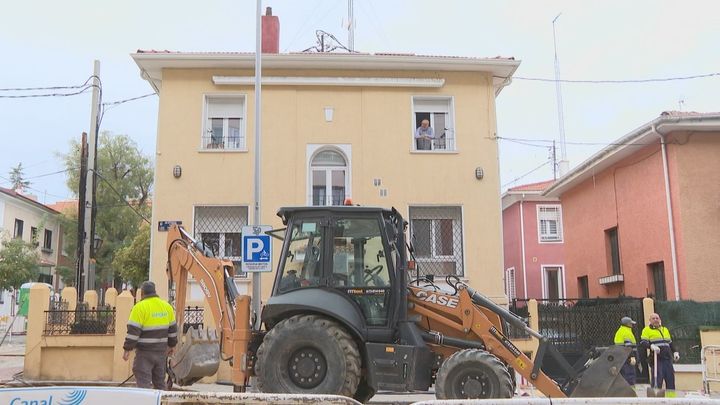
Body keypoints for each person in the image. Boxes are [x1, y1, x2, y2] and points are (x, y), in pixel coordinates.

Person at [123, 281, 178, 389]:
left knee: (143, 384)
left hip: (144, 354)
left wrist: (127, 349)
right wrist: (172, 346)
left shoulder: (139, 307)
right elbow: (172, 330)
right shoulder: (167, 307)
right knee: (160, 384)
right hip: (161, 353)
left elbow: (133, 332)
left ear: (142, 293)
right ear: (154, 291)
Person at [640, 312, 679, 397]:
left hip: (668, 360)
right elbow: (643, 343)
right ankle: (655, 400)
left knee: (670, 381)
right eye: (653, 318)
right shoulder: (647, 330)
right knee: (657, 381)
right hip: (657, 360)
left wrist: (675, 351)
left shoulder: (665, 329)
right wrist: (651, 346)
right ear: (650, 320)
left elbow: (670, 343)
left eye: (657, 318)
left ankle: (671, 400)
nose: (655, 320)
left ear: (660, 320)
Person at [613, 316, 638, 386]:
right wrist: (632, 356)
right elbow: (628, 346)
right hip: (627, 359)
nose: (632, 325)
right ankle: (630, 394)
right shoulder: (626, 332)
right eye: (631, 323)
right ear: (627, 324)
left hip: (621, 357)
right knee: (629, 376)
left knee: (623, 376)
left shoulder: (619, 331)